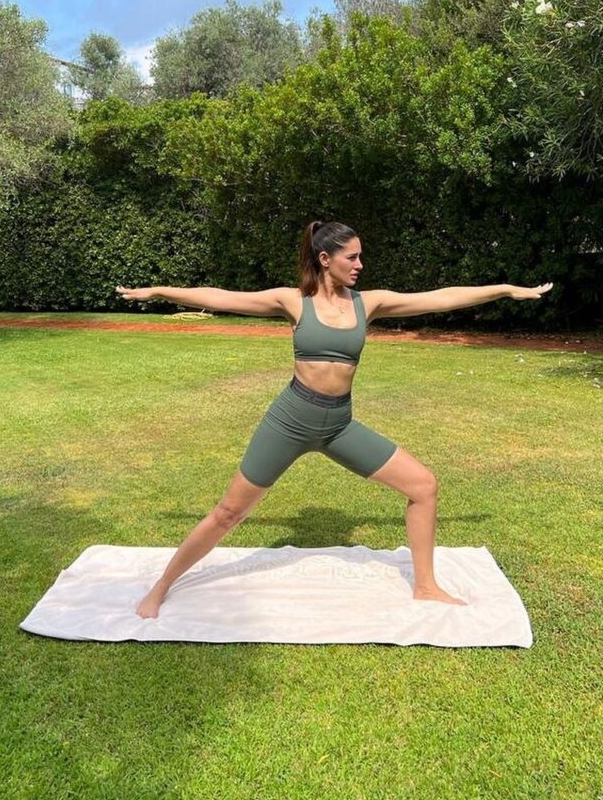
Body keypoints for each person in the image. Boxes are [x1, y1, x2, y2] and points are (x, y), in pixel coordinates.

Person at [116, 220, 553, 618]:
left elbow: (437, 299)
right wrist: (161, 291)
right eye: (352, 257)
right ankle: (160, 587)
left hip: (339, 426)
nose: (360, 264)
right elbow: (222, 297)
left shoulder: (369, 303)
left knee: (423, 486)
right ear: (325, 259)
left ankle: (426, 585)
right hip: (289, 421)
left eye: (361, 256)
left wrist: (502, 288)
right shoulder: (293, 301)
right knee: (229, 512)